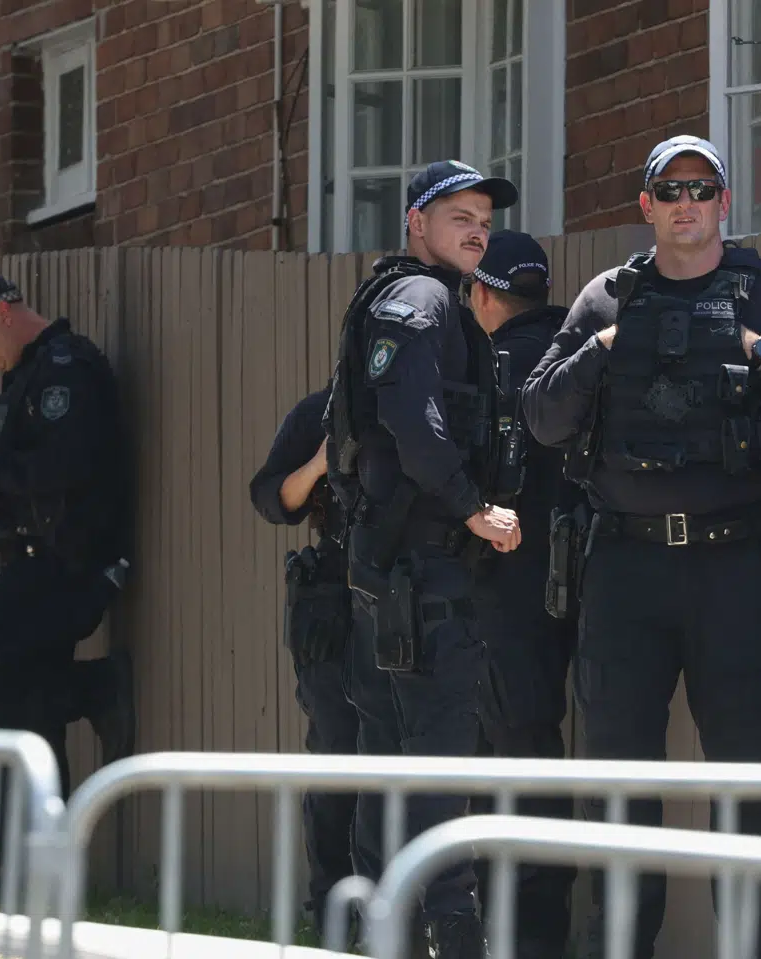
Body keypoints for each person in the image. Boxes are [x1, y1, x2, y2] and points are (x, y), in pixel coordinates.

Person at [520, 134, 761, 959]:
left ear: (723, 202)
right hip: (627, 571)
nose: (685, 203)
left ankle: (756, 945)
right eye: (669, 190)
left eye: (700, 189)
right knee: (621, 782)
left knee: (749, 776)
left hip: (736, 566)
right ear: (645, 206)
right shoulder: (607, 299)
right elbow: (539, 416)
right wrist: (601, 353)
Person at [324, 159, 522, 959]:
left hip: (388, 572)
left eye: (483, 218)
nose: (477, 229)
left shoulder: (414, 296)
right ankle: (449, 936)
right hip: (423, 573)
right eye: (459, 216)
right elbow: (411, 416)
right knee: (435, 764)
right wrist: (473, 505)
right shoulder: (423, 298)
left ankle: (385, 936)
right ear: (417, 223)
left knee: (387, 766)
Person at [0, 271, 136, 795]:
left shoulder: (66, 368)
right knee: (28, 732)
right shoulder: (25, 373)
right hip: (32, 560)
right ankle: (47, 864)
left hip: (66, 566)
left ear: (1, 312)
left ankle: (95, 688)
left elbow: (64, 468)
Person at [461, 230, 577, 959]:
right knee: (538, 753)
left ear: (481, 293)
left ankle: (522, 935)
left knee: (511, 756)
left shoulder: (486, 367)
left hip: (502, 588)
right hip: (590, 581)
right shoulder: (575, 352)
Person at [249, 386, 358, 939]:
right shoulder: (322, 410)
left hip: (415, 595)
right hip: (336, 603)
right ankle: (335, 918)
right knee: (337, 756)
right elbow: (270, 497)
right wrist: (320, 463)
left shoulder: (434, 397)